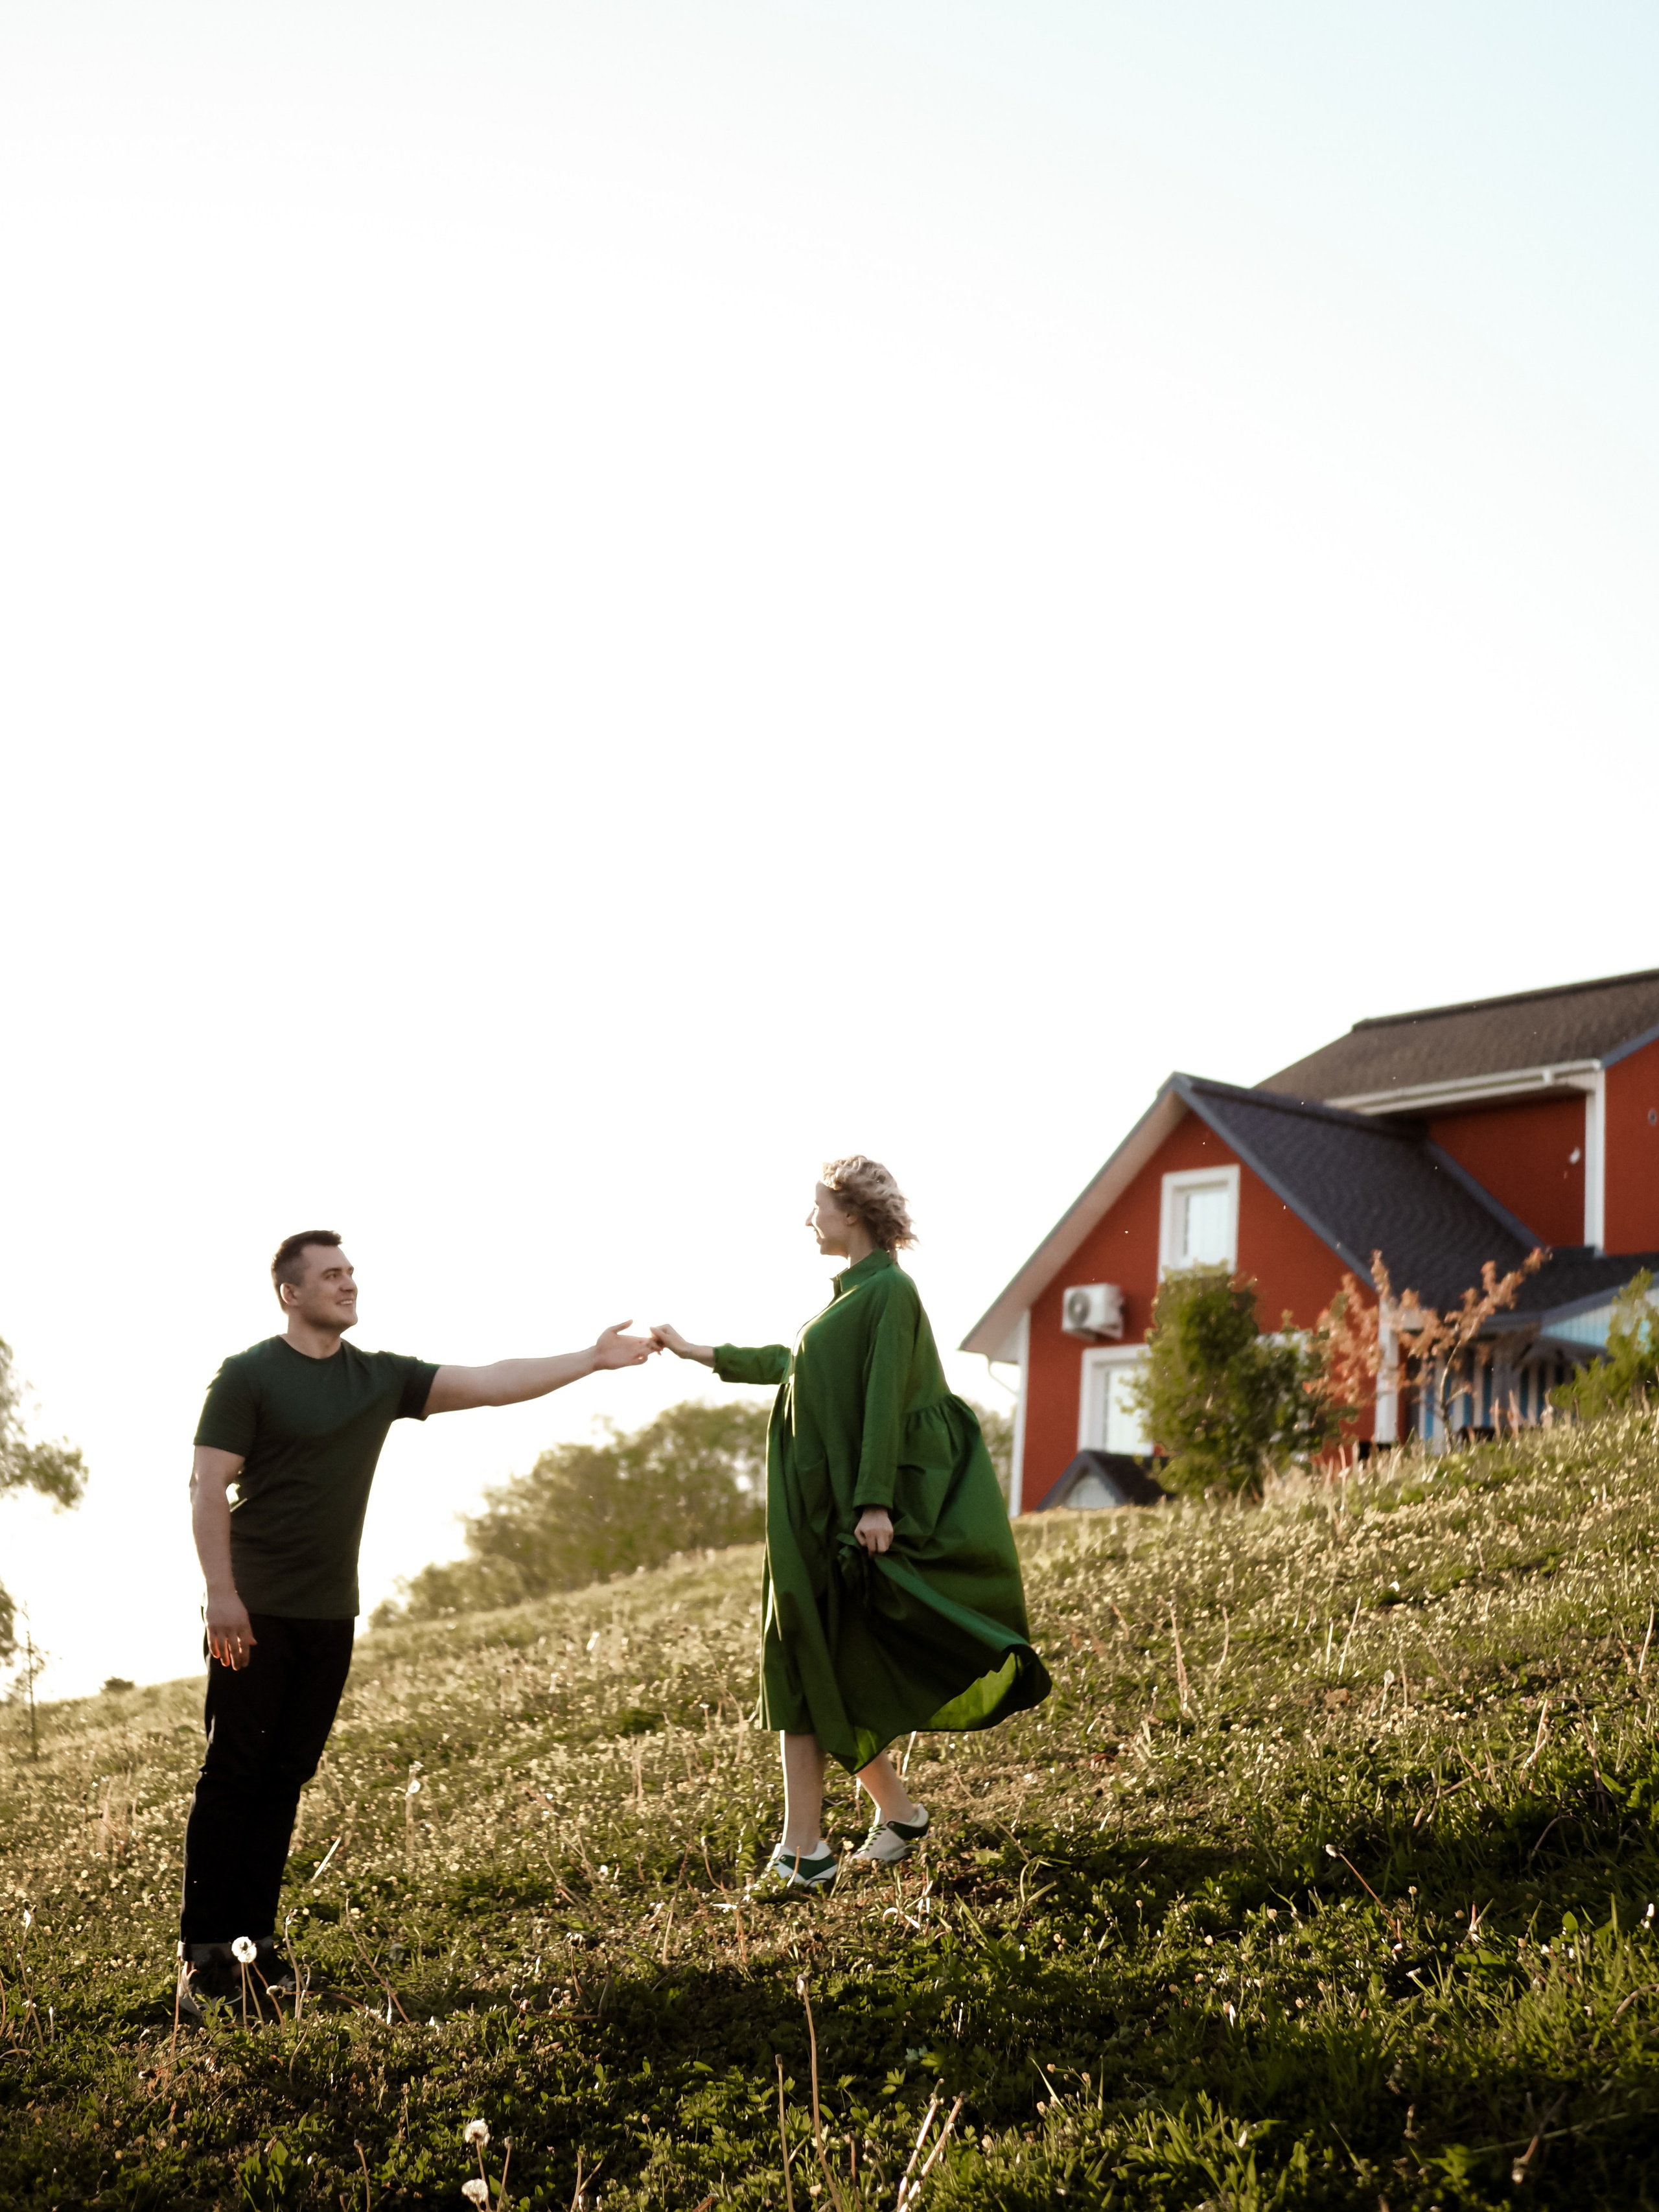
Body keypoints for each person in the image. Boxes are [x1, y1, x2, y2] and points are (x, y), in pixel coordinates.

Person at [179, 1228, 655, 2016]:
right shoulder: (248, 1375)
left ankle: (254, 1950)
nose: (349, 1282)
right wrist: (220, 1592)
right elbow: (204, 1486)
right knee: (234, 1774)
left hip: (331, 1611)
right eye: (331, 1274)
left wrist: (591, 1358)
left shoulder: (380, 1378)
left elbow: (495, 1380)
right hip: (253, 1608)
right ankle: (203, 1962)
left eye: (351, 1271)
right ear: (290, 1293)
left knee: (286, 1778)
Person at [652, 1156, 1049, 1895]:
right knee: (803, 1658)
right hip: (808, 1513)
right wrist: (697, 1351)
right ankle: (891, 1814)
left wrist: (873, 1504)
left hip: (846, 1514)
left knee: (806, 1657)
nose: (809, 1221)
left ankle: (805, 1851)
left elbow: (881, 1401)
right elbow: (793, 1365)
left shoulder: (890, 1292)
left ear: (852, 1211)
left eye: (817, 1207)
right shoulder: (843, 1303)